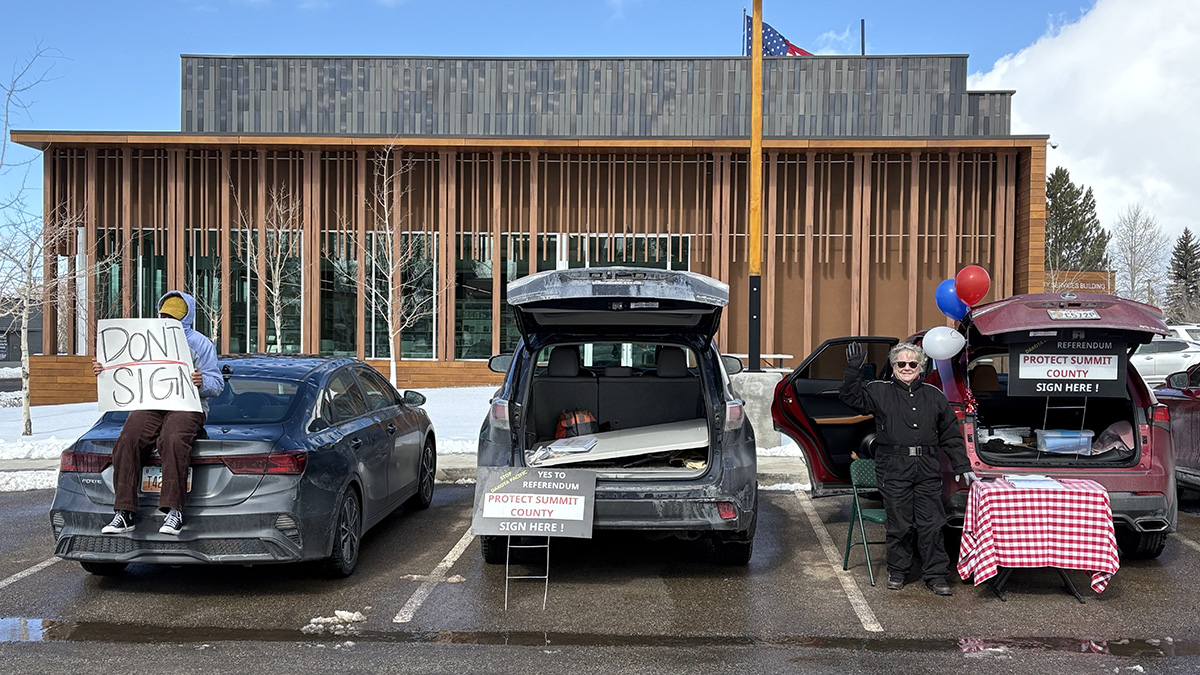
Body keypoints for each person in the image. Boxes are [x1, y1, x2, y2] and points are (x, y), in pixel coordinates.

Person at [840, 341, 977, 596]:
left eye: (912, 363)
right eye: (900, 363)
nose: (906, 367)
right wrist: (853, 371)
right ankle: (898, 572)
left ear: (920, 367)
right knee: (900, 524)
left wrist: (961, 463)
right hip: (893, 467)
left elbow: (950, 434)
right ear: (893, 367)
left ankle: (936, 575)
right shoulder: (878, 391)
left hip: (926, 467)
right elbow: (850, 397)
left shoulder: (934, 395)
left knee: (932, 524)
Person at [93, 291, 224, 536]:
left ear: (187, 317)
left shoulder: (200, 343)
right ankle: (124, 512)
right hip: (151, 403)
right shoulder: (145, 337)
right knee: (128, 439)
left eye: (175, 316)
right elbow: (125, 365)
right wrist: (105, 369)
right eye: (164, 314)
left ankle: (174, 510)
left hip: (187, 405)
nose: (168, 319)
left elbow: (217, 384)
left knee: (173, 439)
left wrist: (201, 380)